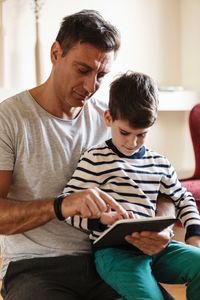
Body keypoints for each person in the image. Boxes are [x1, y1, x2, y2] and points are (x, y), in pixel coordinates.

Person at [0, 9, 174, 300]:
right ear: (56, 53)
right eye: (83, 70)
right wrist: (61, 206)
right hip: (34, 266)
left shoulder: (112, 120)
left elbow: (162, 183)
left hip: (111, 260)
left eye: (101, 75)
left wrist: (162, 227)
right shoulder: (9, 119)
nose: (91, 86)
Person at [61, 71, 200, 300]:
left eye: (141, 135)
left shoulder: (160, 163)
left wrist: (194, 236)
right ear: (108, 118)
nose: (132, 143)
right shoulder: (94, 160)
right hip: (115, 253)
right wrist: (100, 220)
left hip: (157, 248)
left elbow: (183, 199)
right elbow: (68, 209)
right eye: (124, 132)